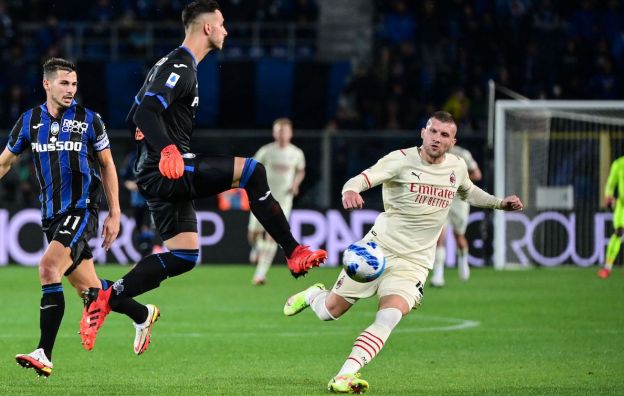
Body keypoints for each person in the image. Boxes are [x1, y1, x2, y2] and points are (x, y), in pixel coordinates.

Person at [81, 0, 327, 348]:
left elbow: (135, 115)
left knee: (184, 256)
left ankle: (109, 295)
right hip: (168, 168)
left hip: (157, 175)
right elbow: (145, 114)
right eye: (222, 23)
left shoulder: (167, 64)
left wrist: (154, 142)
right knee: (253, 171)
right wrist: (166, 149)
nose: (226, 30)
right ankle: (293, 250)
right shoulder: (181, 65)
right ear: (207, 27)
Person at [283, 111, 523, 393]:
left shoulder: (457, 166)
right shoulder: (399, 160)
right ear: (423, 132)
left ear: (452, 141)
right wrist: (350, 190)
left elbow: (468, 191)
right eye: (433, 131)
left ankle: (345, 375)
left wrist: (498, 203)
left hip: (415, 262)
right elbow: (361, 179)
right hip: (377, 251)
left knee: (390, 315)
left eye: (444, 135)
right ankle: (314, 295)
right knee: (328, 312)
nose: (437, 138)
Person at [0, 58, 158, 378]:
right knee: (90, 290)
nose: (71, 89)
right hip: (51, 216)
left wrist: (114, 212)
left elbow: (107, 165)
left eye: (74, 84)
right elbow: (5, 162)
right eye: (64, 83)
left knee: (47, 267)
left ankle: (44, 352)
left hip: (81, 210)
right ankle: (142, 313)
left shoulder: (89, 120)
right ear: (47, 84)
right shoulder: (29, 122)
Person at [248, 118, 305, 285]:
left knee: (273, 236)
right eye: (279, 131)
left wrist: (296, 184)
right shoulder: (266, 151)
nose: (281, 134)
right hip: (263, 198)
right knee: (253, 235)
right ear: (274, 133)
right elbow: (252, 167)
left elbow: (301, 171)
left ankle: (260, 274)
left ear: (290, 133)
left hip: (283, 201)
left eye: (284, 131)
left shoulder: (296, 153)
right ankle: (256, 248)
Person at [429, 144, 482, 287]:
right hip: (440, 200)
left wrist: (458, 179)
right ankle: (438, 276)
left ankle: (463, 262)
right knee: (439, 237)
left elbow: (477, 174)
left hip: (459, 201)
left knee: (459, 237)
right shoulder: (432, 153)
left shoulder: (463, 154)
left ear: (453, 139)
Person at [598, 137, 624, 279]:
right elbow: (611, 183)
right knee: (618, 232)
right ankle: (607, 267)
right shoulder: (619, 164)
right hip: (622, 206)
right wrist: (608, 196)